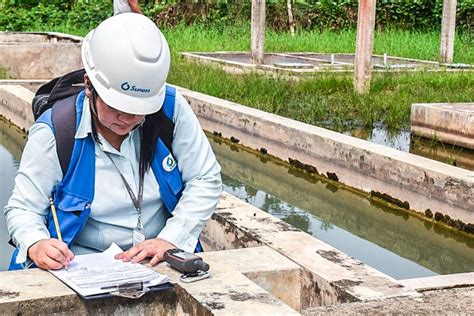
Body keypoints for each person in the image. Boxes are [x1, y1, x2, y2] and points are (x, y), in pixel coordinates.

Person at [4, 13, 222, 270]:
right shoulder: (56, 131)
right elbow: (23, 208)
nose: (127, 118)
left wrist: (170, 239)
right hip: (83, 268)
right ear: (89, 85)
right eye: (116, 106)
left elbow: (205, 178)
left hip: (157, 260)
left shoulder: (170, 110)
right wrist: (36, 242)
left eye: (139, 109)